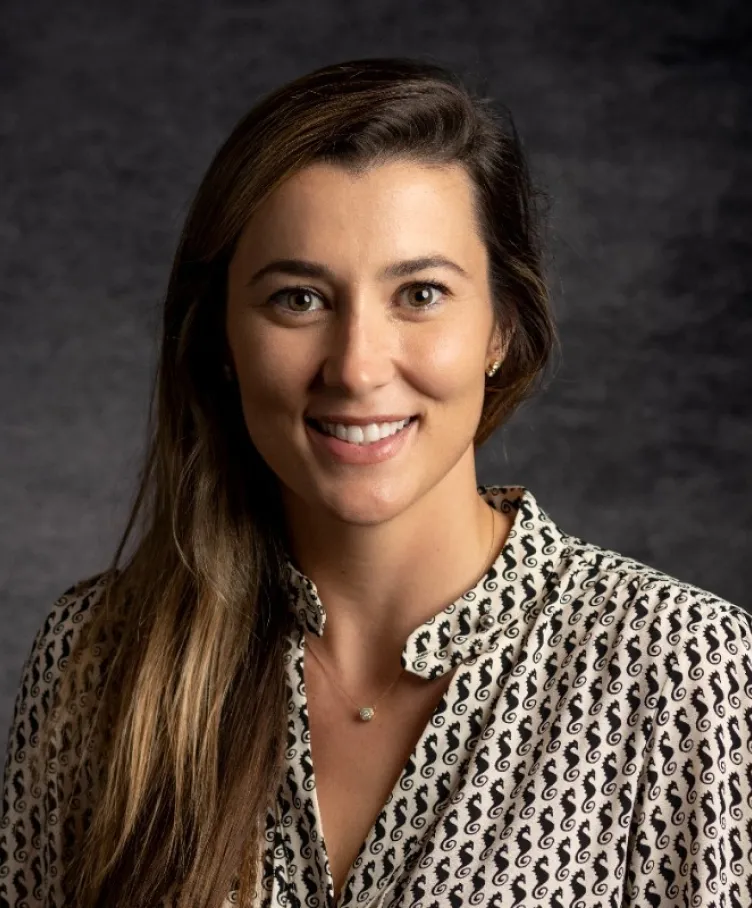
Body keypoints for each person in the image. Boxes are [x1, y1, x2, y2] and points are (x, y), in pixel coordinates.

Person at [1, 56, 750, 908]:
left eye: (420, 293)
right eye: (298, 300)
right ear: (222, 337)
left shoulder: (685, 670)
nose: (357, 369)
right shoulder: (97, 661)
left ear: (501, 326)